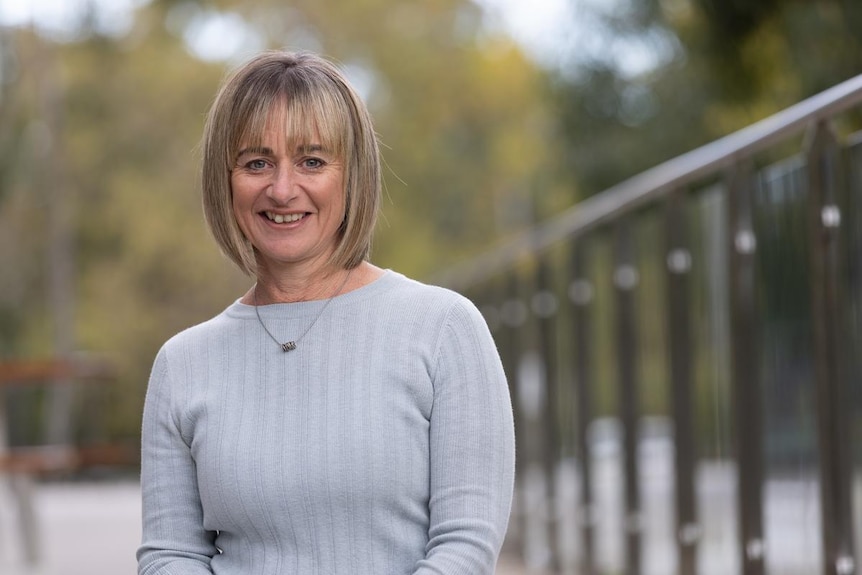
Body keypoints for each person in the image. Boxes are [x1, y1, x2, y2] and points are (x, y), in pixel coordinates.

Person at [137, 50, 515, 575]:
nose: (283, 188)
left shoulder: (444, 329)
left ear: (352, 174)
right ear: (225, 180)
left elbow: (466, 545)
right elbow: (169, 556)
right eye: (256, 162)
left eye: (312, 160)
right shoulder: (182, 363)